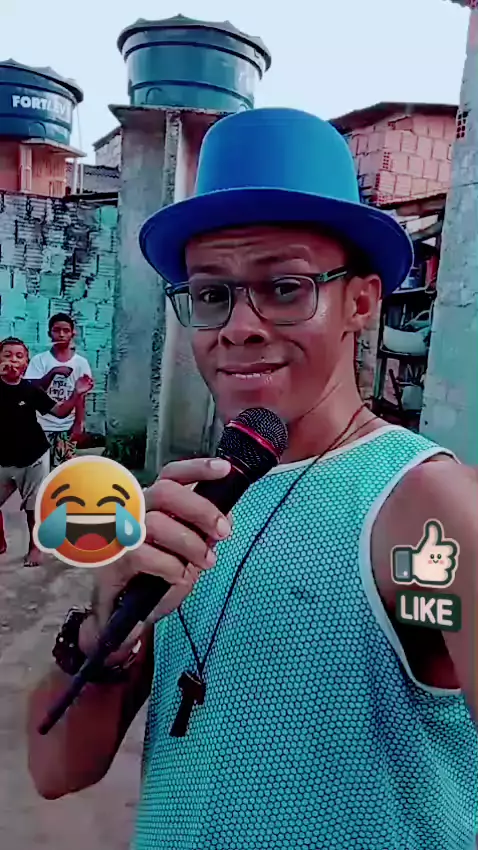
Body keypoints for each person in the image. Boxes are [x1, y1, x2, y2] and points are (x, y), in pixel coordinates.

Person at [28, 109, 478, 849]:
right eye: (212, 295)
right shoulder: (193, 500)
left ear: (361, 302)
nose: (239, 326)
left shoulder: (423, 514)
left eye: (285, 287)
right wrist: (106, 624)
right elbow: (54, 769)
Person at [0, 337, 94, 566]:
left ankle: (35, 548)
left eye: (19, 356)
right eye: (7, 355)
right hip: (2, 459)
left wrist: (77, 393)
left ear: (26, 363)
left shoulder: (31, 390)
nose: (13, 360)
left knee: (33, 507)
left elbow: (60, 412)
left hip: (33, 457)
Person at [25, 313, 92, 467]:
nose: (61, 334)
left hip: (66, 427)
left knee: (63, 470)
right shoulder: (40, 360)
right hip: (40, 426)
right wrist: (53, 373)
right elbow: (32, 391)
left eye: (66, 330)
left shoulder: (81, 363)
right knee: (39, 469)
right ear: (49, 333)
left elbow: (81, 396)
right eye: (56, 330)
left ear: (73, 333)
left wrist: (79, 424)